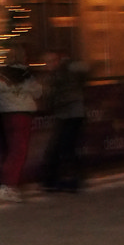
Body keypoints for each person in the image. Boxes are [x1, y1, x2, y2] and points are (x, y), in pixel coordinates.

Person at [0, 45, 42, 202]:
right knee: (19, 151)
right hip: (22, 113)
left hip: (6, 113)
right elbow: (38, 91)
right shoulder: (26, 74)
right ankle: (9, 186)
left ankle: (9, 185)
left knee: (13, 150)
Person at [39, 50, 87, 192]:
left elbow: (59, 95)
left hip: (71, 115)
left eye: (50, 62)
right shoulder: (62, 73)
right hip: (69, 114)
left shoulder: (61, 75)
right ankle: (61, 180)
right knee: (64, 147)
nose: (48, 65)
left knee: (64, 147)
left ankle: (66, 180)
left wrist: (49, 101)